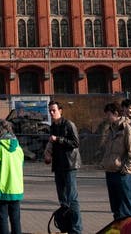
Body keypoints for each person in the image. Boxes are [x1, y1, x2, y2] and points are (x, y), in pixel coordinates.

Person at [44, 100, 82, 234]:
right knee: (63, 199)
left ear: (60, 111)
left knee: (72, 198)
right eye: (50, 111)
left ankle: (76, 229)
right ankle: (66, 226)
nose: (52, 113)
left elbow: (75, 142)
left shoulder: (68, 124)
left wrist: (58, 139)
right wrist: (48, 154)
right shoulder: (52, 126)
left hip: (69, 165)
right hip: (58, 165)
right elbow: (51, 143)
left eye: (54, 110)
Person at [100, 102, 131, 222]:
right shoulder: (111, 130)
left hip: (123, 176)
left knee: (126, 212)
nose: (107, 118)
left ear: (115, 113)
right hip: (111, 173)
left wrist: (126, 169)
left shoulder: (127, 130)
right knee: (116, 211)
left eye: (108, 115)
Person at [0, 119, 24, 234]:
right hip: (16, 189)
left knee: (2, 219)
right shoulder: (18, 148)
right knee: (16, 220)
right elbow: (21, 165)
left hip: (1, 189)